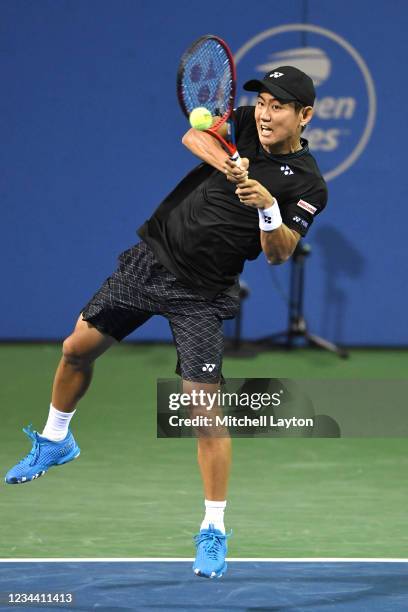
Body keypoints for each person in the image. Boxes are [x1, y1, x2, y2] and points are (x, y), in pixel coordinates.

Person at [5, 66, 327, 579]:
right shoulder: (243, 126)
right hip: (152, 259)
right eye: (262, 102)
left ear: (304, 115)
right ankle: (55, 439)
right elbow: (193, 134)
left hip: (202, 292)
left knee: (204, 410)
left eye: (278, 106)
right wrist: (230, 166)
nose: (265, 113)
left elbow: (278, 255)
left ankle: (214, 530)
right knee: (75, 349)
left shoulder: (309, 182)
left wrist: (268, 208)